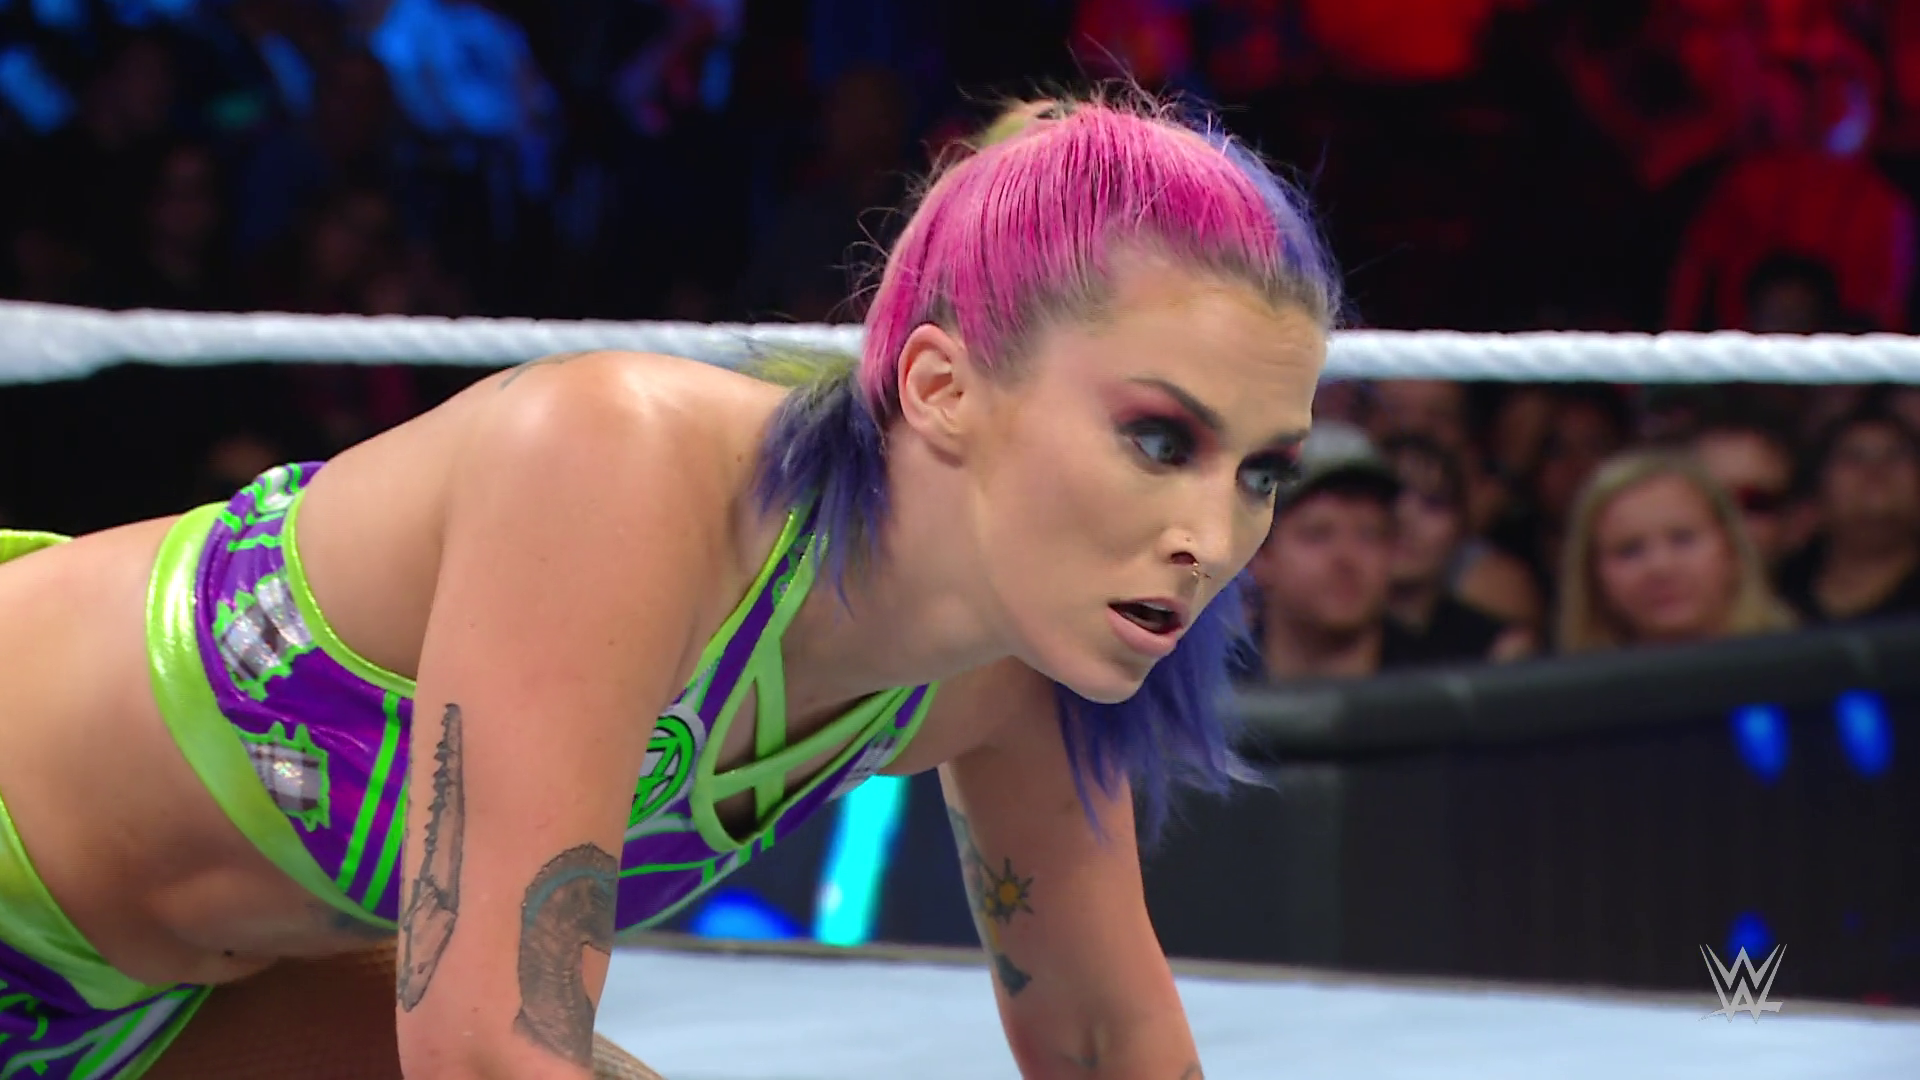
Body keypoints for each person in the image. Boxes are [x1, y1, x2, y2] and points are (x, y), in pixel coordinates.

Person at [0, 93, 1337, 1080]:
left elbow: (1104, 1043)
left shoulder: (1005, 678)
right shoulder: (619, 462)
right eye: (1159, 440)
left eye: (1264, 472)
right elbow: (486, 1049)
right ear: (941, 385)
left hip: (146, 1018)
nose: (1214, 534)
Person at [1556, 451, 1793, 653]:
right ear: (1594, 577)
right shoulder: (1572, 689)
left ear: (1732, 550)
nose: (1661, 567)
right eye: (1630, 550)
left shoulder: (1798, 667)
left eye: (1682, 539)